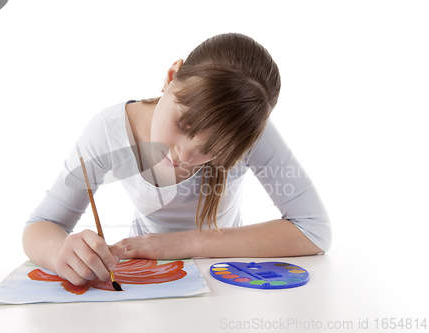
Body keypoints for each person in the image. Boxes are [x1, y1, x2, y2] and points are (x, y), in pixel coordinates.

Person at [22, 33, 331, 286]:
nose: (184, 155)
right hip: (146, 280)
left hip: (224, 279)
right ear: (171, 77)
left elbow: (314, 230)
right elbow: (41, 224)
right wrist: (61, 251)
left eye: (212, 149)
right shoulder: (108, 131)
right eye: (183, 125)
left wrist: (182, 244)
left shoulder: (247, 132)